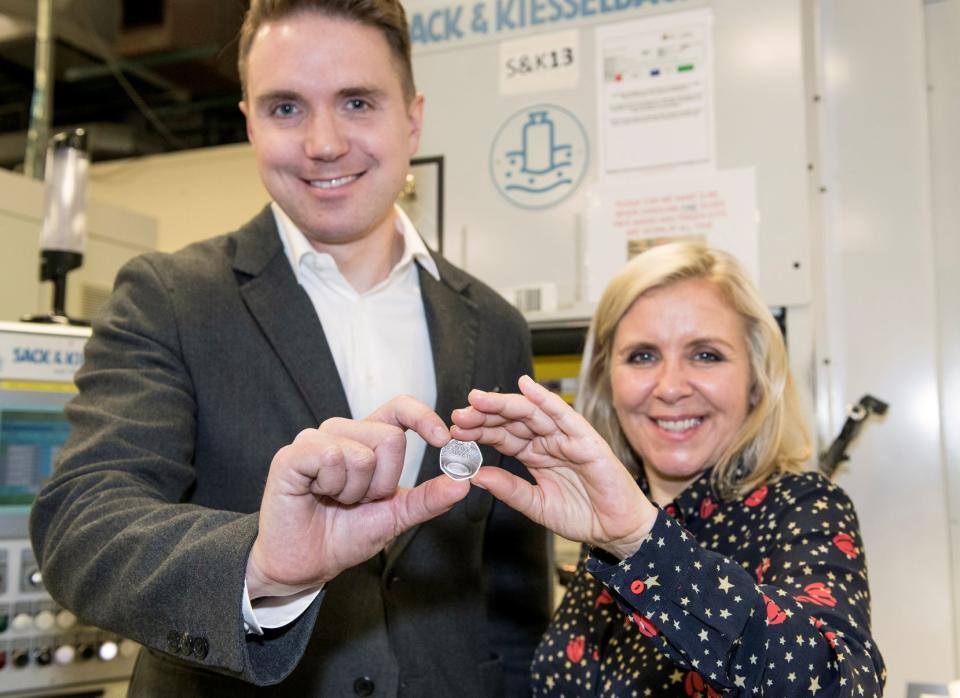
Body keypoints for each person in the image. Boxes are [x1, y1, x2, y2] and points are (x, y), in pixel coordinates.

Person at [28, 0, 550, 695]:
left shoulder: (492, 322)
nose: (324, 142)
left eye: (357, 101)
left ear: (413, 116)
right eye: (285, 109)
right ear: (248, 120)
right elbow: (83, 522)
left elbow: (513, 592)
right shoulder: (170, 298)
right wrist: (262, 568)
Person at [451, 242, 886, 696]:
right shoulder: (612, 507)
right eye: (642, 356)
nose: (671, 387)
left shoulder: (803, 507)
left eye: (705, 355)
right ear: (606, 381)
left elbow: (841, 682)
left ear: (756, 379)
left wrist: (642, 539)